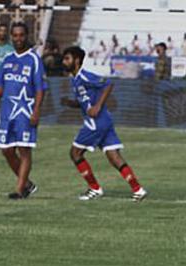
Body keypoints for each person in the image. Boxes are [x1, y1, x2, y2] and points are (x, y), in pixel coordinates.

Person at [60, 46, 147, 202]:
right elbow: (85, 103)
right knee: (114, 157)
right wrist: (70, 103)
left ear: (77, 60)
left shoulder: (85, 76)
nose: (64, 62)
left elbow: (107, 84)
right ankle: (138, 189)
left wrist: (98, 106)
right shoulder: (75, 79)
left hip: (96, 122)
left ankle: (94, 188)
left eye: (67, 59)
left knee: (75, 153)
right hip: (104, 121)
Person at [0, 23, 45, 200]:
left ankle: (20, 190)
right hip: (7, 112)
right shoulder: (8, 59)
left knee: (24, 150)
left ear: (27, 36)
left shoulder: (33, 59)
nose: (19, 39)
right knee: (6, 150)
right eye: (15, 35)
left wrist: (36, 110)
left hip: (25, 112)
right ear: (12, 37)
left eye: (22, 35)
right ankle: (27, 183)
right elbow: (0, 86)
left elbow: (41, 88)